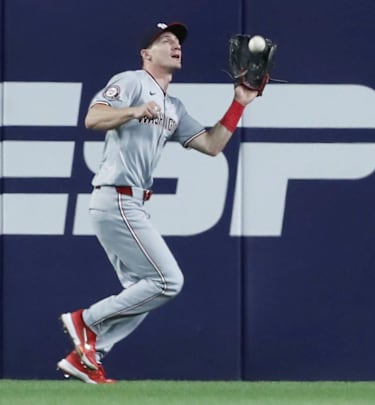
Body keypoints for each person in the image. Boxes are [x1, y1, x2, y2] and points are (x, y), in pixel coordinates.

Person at [57, 21, 260, 384]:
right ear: (146, 54)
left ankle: (86, 357)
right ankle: (85, 321)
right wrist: (133, 111)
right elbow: (92, 117)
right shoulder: (134, 82)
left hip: (129, 202)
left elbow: (212, 145)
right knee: (168, 282)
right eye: (165, 40)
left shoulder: (173, 106)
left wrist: (238, 103)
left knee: (143, 291)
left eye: (177, 41)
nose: (174, 45)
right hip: (116, 198)